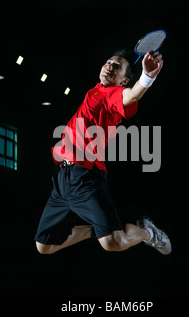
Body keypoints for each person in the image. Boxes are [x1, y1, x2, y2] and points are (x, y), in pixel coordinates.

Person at [34, 49, 171, 255]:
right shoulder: (95, 91)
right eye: (108, 62)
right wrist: (61, 150)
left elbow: (131, 96)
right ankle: (98, 230)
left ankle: (148, 233)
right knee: (44, 245)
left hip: (86, 179)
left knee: (112, 243)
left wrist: (147, 77)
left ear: (123, 80)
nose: (110, 66)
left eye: (117, 66)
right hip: (63, 180)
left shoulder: (112, 94)